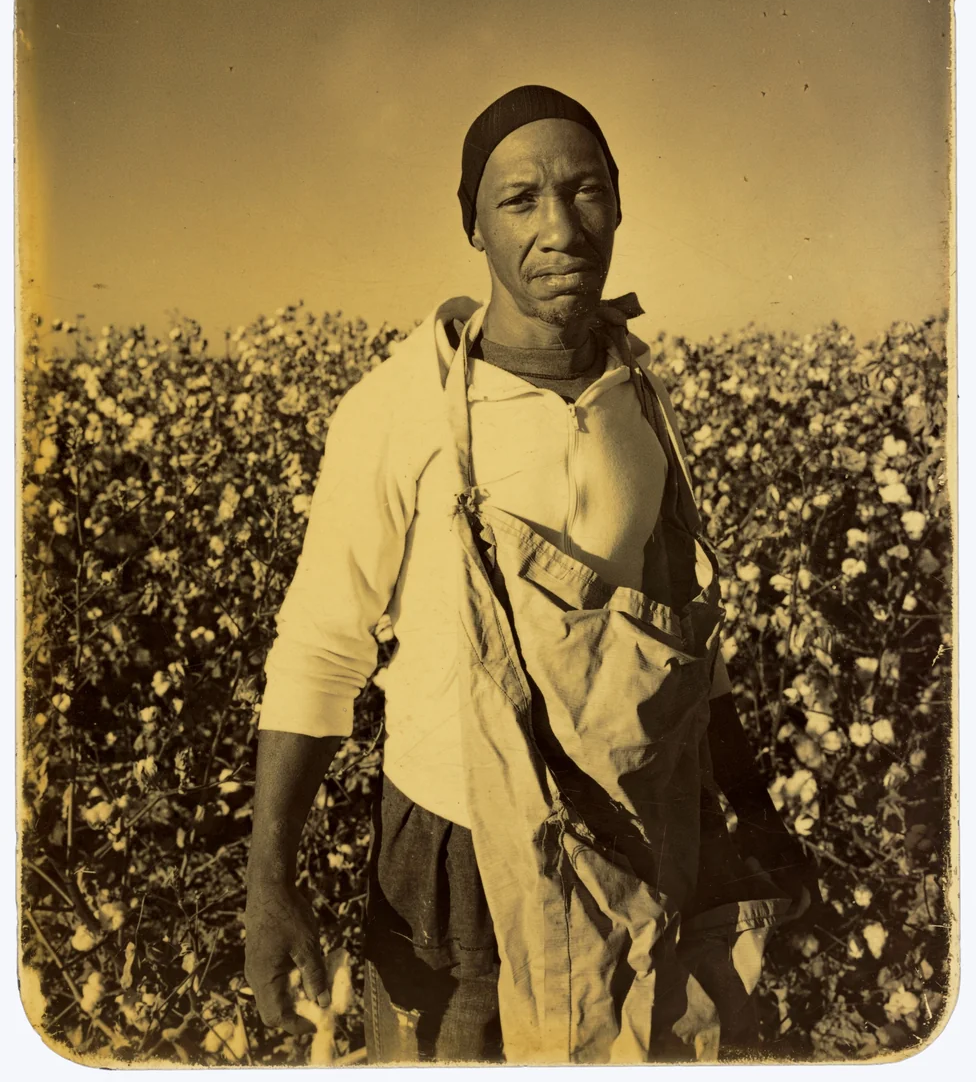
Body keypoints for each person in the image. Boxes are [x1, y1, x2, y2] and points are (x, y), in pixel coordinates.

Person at [244, 85, 817, 1063]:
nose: (559, 228)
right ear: (472, 224)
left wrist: (749, 812)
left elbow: (680, 636)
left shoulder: (637, 398)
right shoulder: (401, 408)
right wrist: (268, 887)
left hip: (636, 830)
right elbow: (320, 651)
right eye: (519, 200)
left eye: (584, 191)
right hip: (454, 854)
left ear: (618, 203)